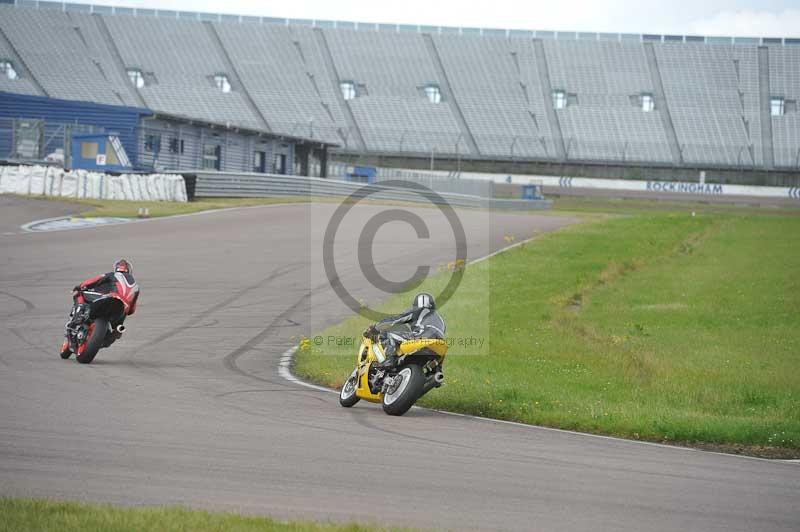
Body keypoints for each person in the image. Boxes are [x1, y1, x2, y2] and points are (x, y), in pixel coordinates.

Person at [365, 292, 445, 369]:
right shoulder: (441, 320)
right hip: (439, 344)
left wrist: (375, 328)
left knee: (387, 334)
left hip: (421, 336)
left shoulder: (416, 311)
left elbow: (395, 320)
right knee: (436, 365)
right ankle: (436, 373)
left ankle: (389, 360)